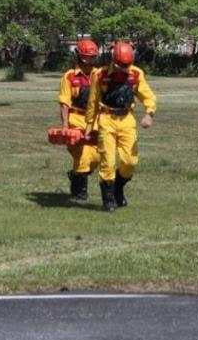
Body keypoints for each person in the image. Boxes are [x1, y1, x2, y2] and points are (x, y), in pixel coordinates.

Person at [86, 40, 156, 212]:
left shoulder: (136, 74)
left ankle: (118, 188)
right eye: (121, 65)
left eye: (128, 64)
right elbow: (92, 102)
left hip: (127, 120)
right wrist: (89, 127)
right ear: (113, 60)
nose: (125, 68)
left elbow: (148, 96)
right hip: (106, 119)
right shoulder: (100, 75)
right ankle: (108, 200)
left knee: (130, 161)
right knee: (107, 162)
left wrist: (149, 113)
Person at [57, 38, 102, 200]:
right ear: (78, 56)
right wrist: (65, 126)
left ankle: (75, 176)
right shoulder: (69, 77)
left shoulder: (100, 75)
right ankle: (80, 191)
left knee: (97, 157)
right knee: (82, 156)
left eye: (92, 57)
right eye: (86, 57)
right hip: (75, 120)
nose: (89, 61)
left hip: (95, 121)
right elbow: (64, 103)